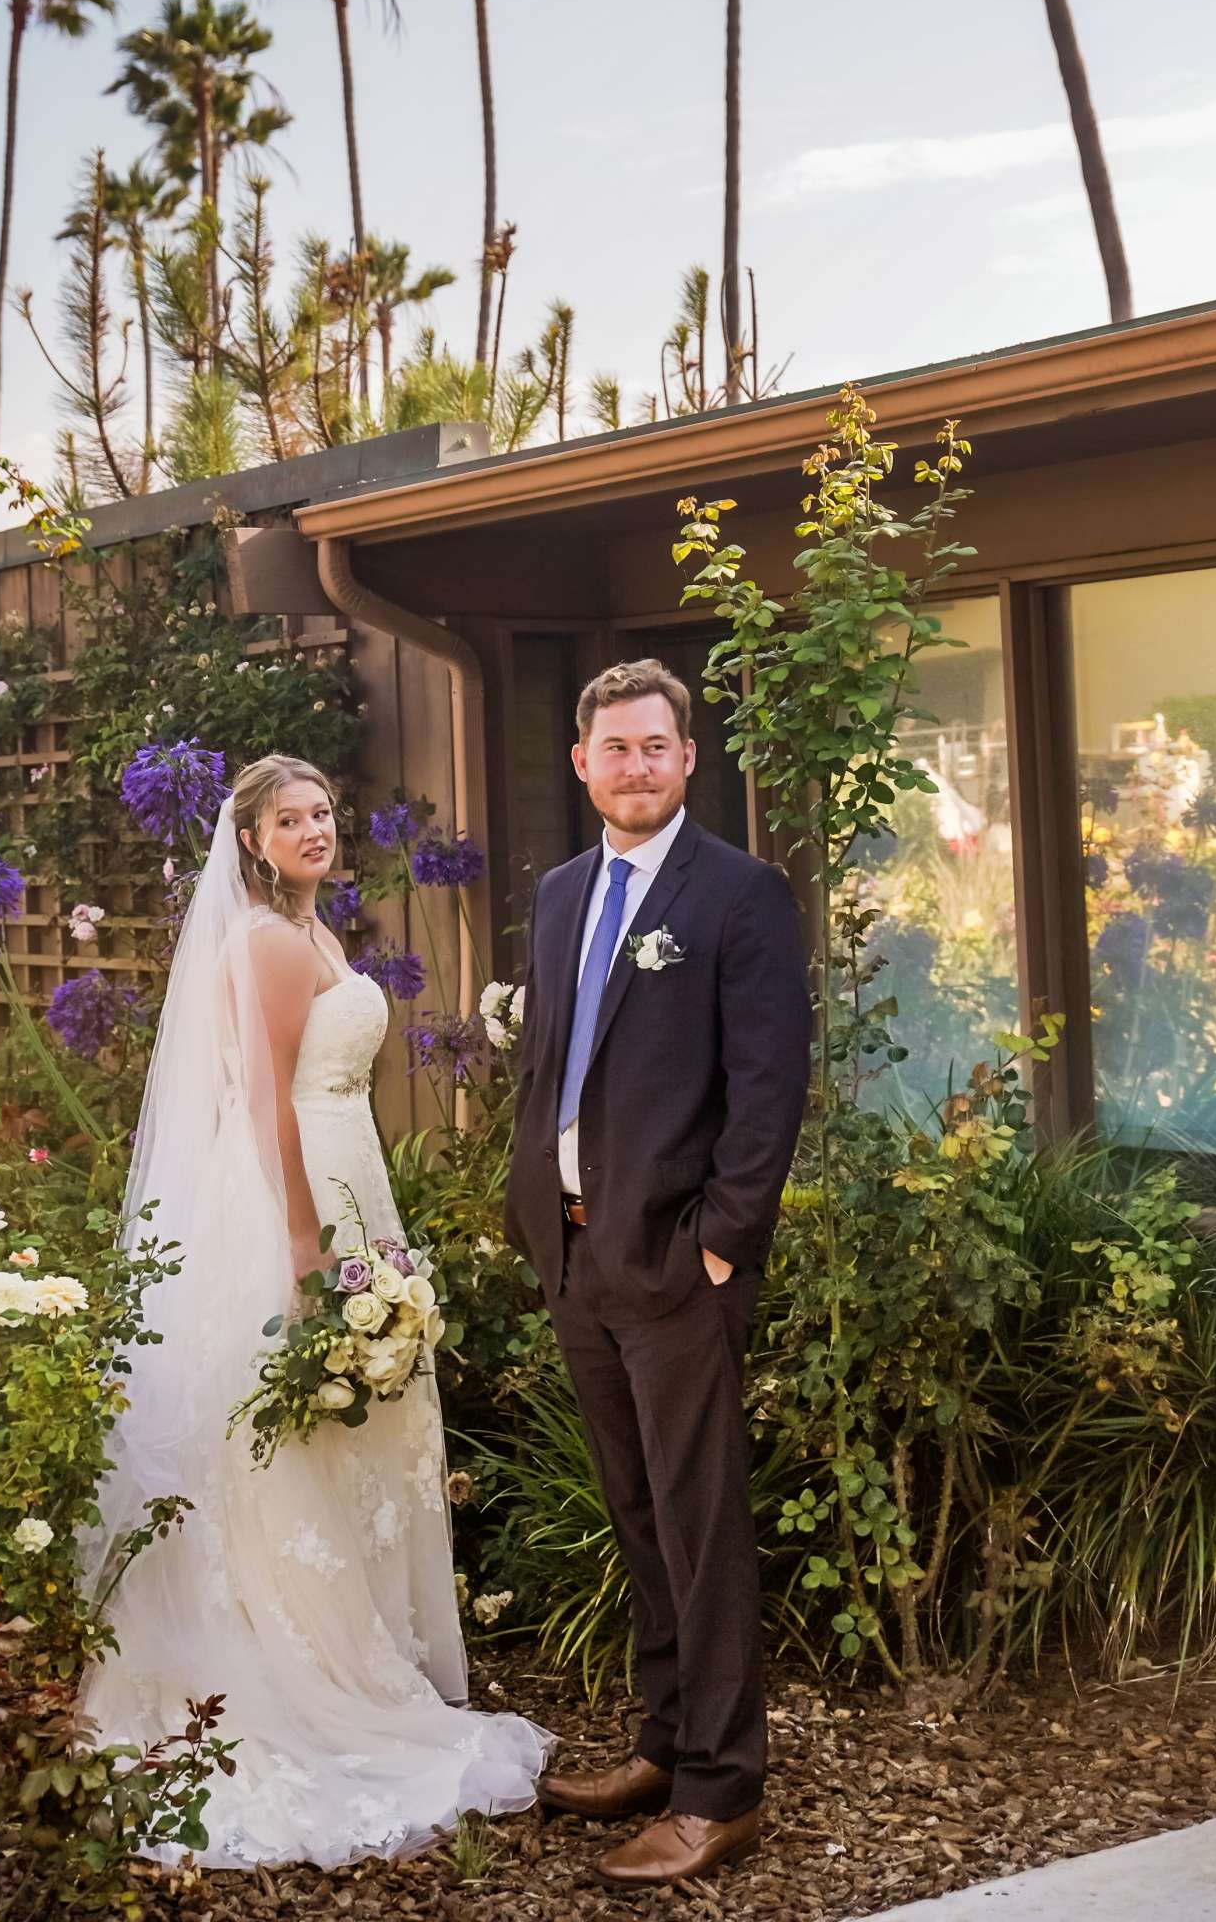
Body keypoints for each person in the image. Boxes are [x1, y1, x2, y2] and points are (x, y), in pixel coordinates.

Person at [80, 754, 549, 1870]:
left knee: (347, 1424)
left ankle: (358, 1641)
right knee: (298, 1424)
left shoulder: (311, 930)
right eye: (289, 820)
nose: (313, 831)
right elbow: (266, 1110)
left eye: (323, 814)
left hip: (350, 1177)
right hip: (302, 1191)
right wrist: (305, 1242)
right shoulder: (267, 941)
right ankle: (312, 1662)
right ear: (251, 839)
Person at [504, 661, 812, 1887]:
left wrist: (721, 1243)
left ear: (689, 759)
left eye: (654, 746)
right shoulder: (561, 891)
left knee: (699, 1521)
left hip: (680, 1260)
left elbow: (769, 1086)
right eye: (612, 748)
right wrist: (539, 1216)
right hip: (578, 1250)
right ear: (582, 765)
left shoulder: (740, 894)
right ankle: (664, 1741)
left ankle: (722, 1792)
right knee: (636, 1515)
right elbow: (551, 1060)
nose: (633, 765)